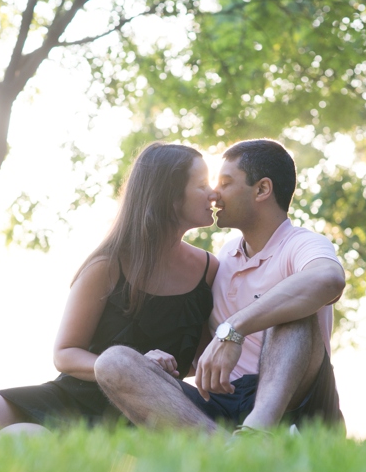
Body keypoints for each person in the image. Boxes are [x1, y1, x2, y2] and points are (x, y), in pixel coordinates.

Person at [94, 138, 346, 433]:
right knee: (113, 362)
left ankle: (257, 432)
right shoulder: (224, 257)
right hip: (224, 401)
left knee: (295, 313)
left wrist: (234, 330)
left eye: (225, 183)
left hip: (294, 401)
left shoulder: (303, 244)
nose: (214, 194)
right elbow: (207, 352)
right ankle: (226, 449)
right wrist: (159, 366)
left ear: (262, 189)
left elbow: (329, 279)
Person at [0, 142, 219, 433]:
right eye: (202, 184)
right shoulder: (107, 265)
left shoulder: (209, 269)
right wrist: (133, 365)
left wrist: (156, 375)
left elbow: (200, 364)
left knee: (21, 438)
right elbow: (65, 353)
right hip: (75, 398)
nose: (214, 193)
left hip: (146, 410)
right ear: (170, 195)